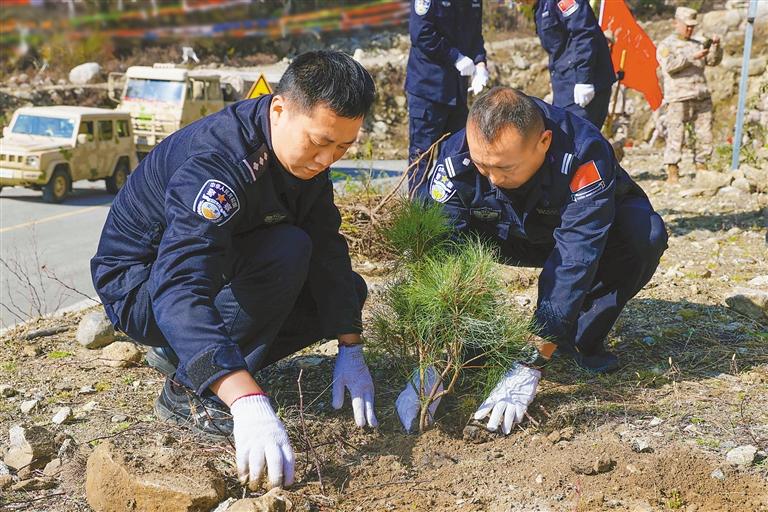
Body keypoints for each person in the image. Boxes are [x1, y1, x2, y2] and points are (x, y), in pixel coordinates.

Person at [91, 51, 379, 489]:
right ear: (279, 109)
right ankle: (187, 392)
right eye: (320, 142)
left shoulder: (301, 157)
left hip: (210, 267)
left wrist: (350, 345)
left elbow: (326, 246)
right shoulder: (219, 163)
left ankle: (185, 353)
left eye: (342, 147)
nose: (327, 159)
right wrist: (245, 399)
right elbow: (178, 285)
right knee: (286, 251)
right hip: (141, 288)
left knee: (343, 295)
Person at [411, 87, 667, 434]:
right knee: (445, 241)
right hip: (501, 232)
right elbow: (440, 250)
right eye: (483, 165)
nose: (492, 178)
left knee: (645, 233)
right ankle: (475, 349)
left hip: (580, 233)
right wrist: (432, 354)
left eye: (504, 168)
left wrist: (532, 359)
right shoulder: (458, 156)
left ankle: (577, 337)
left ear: (544, 142)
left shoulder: (583, 153)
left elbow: (575, 255)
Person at [405, 0, 489, 193]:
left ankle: (448, 205)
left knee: (456, 154)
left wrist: (480, 64)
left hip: (457, 91)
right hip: (428, 88)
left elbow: (475, 35)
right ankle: (417, 207)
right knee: (422, 154)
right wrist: (455, 57)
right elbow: (422, 33)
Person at [517, 0, 616, 129]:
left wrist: (584, 80)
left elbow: (583, 34)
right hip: (565, 86)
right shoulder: (540, 7)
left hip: (583, 84)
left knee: (577, 136)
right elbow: (559, 50)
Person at [657, 6, 722, 183]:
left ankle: (702, 166)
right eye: (687, 26)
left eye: (692, 26)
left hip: (700, 95)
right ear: (676, 23)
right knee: (676, 135)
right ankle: (673, 169)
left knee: (704, 134)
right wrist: (691, 56)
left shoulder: (697, 42)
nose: (690, 29)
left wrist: (715, 47)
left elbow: (712, 61)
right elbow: (669, 66)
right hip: (678, 97)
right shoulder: (666, 45)